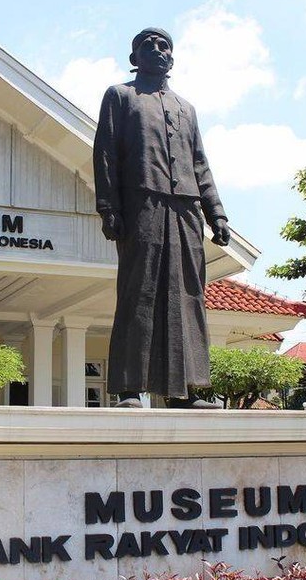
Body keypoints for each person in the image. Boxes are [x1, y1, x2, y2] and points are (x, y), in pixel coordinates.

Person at [93, 27, 231, 409]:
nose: (157, 49)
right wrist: (109, 207)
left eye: (164, 45)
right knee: (140, 293)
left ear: (172, 58)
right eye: (147, 45)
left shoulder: (187, 108)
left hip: (186, 209)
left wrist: (215, 212)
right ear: (134, 58)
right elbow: (105, 154)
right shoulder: (120, 96)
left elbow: (200, 163)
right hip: (143, 204)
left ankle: (183, 391)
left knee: (188, 295)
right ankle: (130, 389)